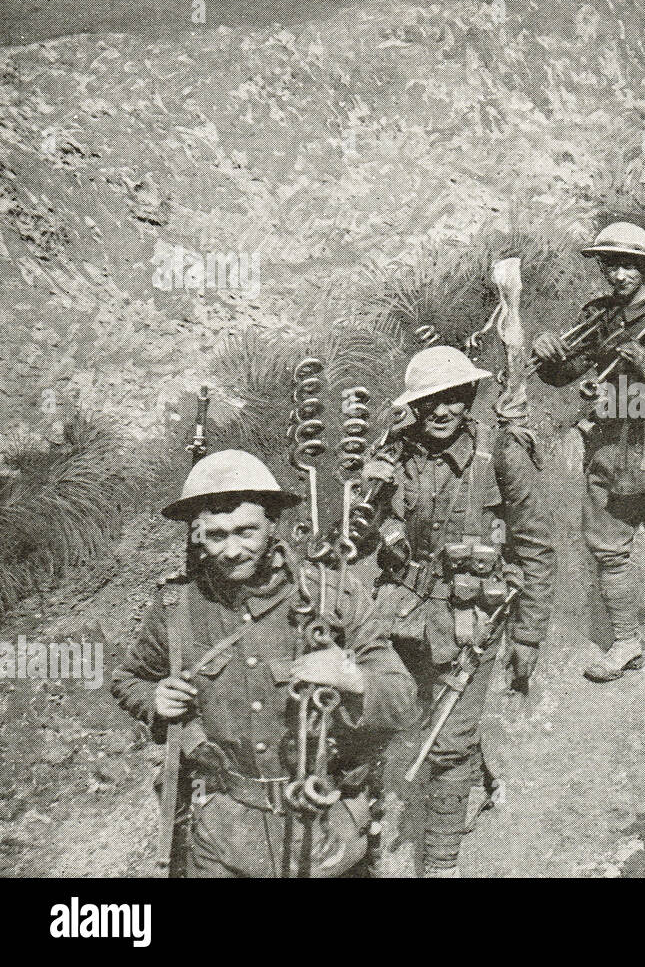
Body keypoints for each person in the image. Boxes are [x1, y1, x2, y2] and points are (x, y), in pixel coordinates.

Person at [111, 449, 417, 877]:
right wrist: (153, 699)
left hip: (324, 832)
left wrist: (352, 678)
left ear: (273, 523)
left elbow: (402, 699)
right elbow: (130, 678)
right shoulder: (176, 607)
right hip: (223, 837)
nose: (232, 550)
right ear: (197, 534)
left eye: (246, 531)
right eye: (216, 535)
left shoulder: (331, 596)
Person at [359, 345, 554, 876]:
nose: (441, 412)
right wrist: (373, 498)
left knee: (445, 744)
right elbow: (359, 533)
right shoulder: (396, 456)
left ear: (469, 398)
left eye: (452, 399)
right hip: (403, 610)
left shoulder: (503, 456)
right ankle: (482, 782)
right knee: (428, 712)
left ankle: (440, 865)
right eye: (429, 403)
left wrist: (529, 635)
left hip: (474, 614)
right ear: (413, 408)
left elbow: (535, 545)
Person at [532, 222, 645, 682]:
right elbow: (565, 374)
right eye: (610, 265)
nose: (618, 274)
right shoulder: (598, 316)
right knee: (608, 551)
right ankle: (627, 641)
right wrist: (552, 356)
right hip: (609, 452)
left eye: (628, 265)